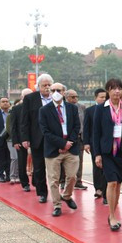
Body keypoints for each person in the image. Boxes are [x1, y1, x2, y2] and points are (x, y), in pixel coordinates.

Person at [92, 79, 122, 230]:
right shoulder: (101, 109)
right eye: (113, 89)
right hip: (107, 152)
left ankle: (114, 211)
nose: (117, 91)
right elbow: (96, 133)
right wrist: (97, 154)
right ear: (108, 91)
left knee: (118, 184)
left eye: (119, 89)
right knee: (111, 182)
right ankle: (111, 215)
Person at [38, 82, 81, 217]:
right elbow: (45, 132)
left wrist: (70, 143)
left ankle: (67, 196)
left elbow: (76, 127)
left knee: (72, 176)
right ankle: (57, 205)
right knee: (53, 179)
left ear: (64, 92)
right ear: (50, 92)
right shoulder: (44, 110)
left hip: (71, 148)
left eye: (59, 90)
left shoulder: (72, 108)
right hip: (53, 149)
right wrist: (62, 144)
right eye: (53, 90)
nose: (56, 92)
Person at [20, 73, 54, 203]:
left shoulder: (56, 97)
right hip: (37, 137)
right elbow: (25, 120)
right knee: (39, 166)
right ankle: (42, 193)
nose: (47, 87)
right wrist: (25, 138)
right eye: (44, 85)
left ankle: (57, 191)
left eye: (49, 85)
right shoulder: (30, 98)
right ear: (38, 86)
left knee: (55, 166)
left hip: (54, 138)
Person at [83, 88, 108, 203]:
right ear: (95, 98)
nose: (103, 99)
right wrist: (86, 143)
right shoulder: (89, 111)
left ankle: (106, 190)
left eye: (105, 97)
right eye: (101, 97)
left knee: (107, 167)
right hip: (94, 143)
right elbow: (86, 128)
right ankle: (98, 188)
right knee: (97, 165)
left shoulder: (110, 110)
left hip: (108, 144)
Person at [65, 89, 88, 190]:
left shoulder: (81, 107)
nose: (75, 99)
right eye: (72, 97)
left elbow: (85, 123)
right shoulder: (63, 107)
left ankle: (78, 181)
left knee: (79, 160)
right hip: (66, 139)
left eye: (76, 97)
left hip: (79, 138)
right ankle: (63, 181)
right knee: (64, 160)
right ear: (66, 98)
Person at [10, 89, 33, 191]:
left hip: (35, 138)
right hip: (20, 139)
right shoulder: (16, 109)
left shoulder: (37, 108)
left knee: (38, 162)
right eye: (26, 96)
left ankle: (37, 181)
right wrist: (15, 141)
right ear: (22, 97)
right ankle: (25, 183)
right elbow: (13, 126)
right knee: (22, 161)